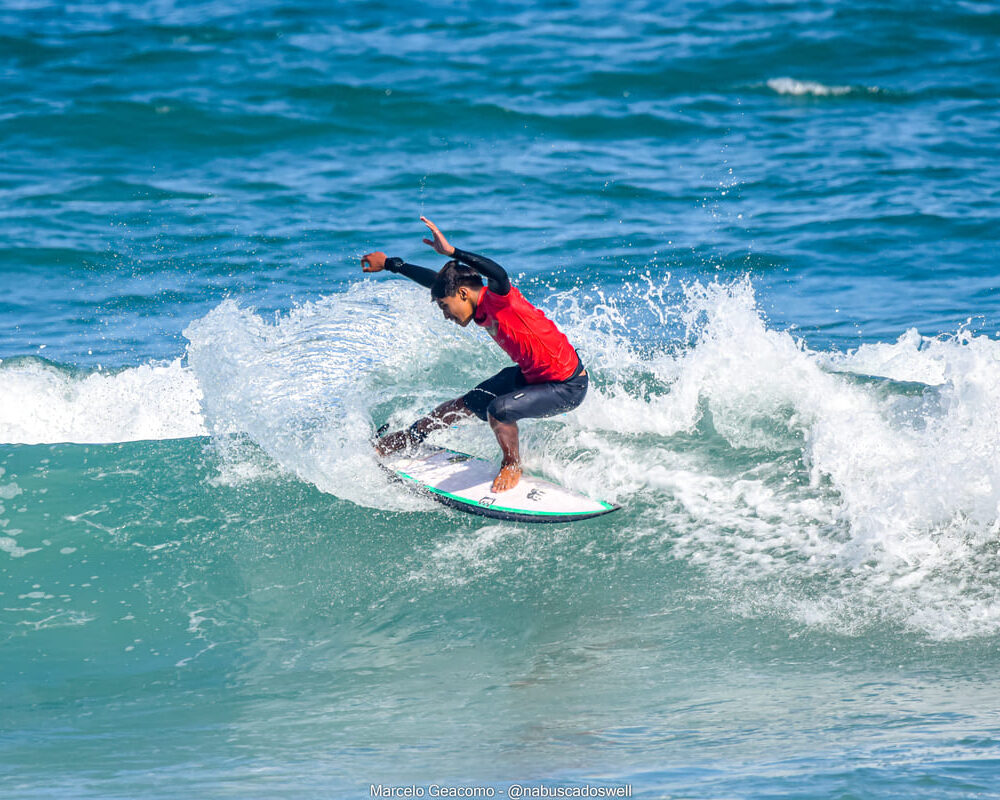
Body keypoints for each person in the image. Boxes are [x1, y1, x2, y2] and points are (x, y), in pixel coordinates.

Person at [362, 217, 588, 493]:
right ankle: (409, 438)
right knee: (461, 405)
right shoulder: (473, 303)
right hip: (533, 376)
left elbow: (498, 273)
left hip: (566, 386)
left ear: (463, 293)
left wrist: (453, 253)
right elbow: (435, 281)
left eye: (446, 307)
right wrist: (391, 264)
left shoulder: (499, 299)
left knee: (500, 410)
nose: (446, 316)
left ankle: (512, 464)